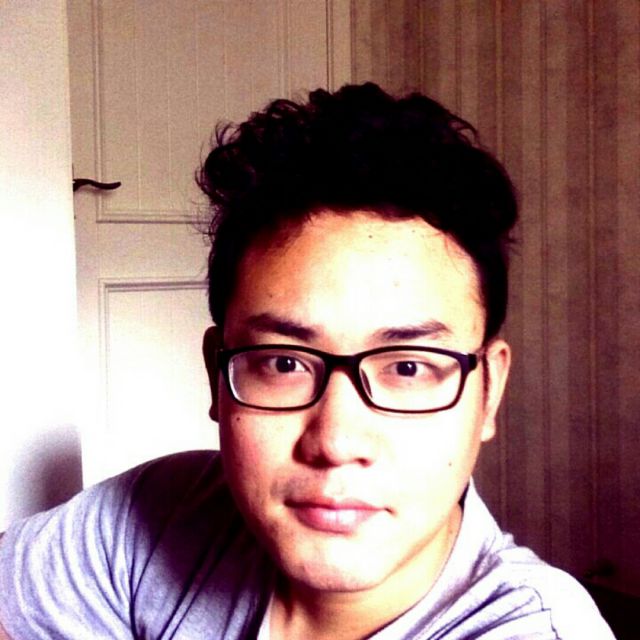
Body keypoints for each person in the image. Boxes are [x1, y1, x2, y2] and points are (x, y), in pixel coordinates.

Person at [0, 83, 614, 639]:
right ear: (218, 376)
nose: (337, 443)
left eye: (407, 367)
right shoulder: (162, 512)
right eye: (284, 363)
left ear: (489, 391)